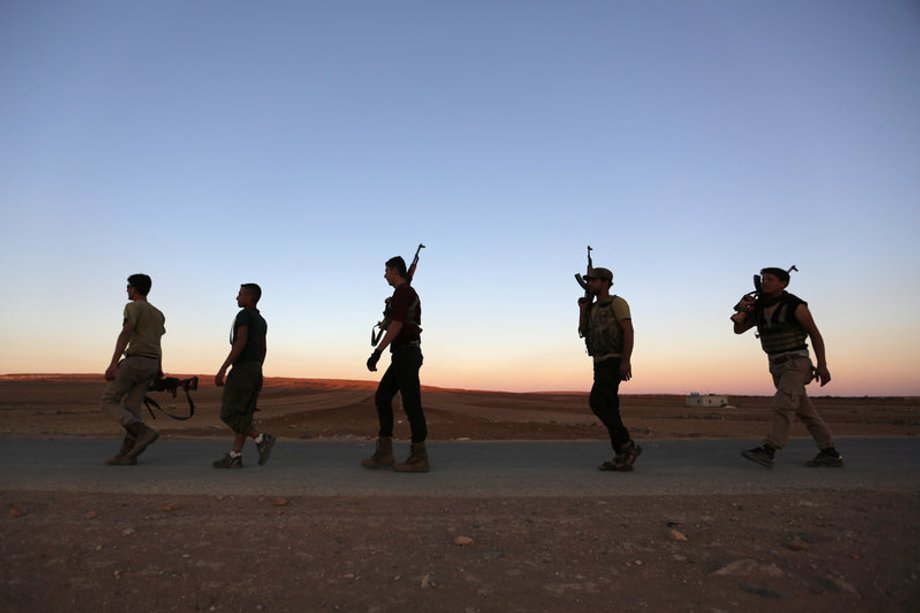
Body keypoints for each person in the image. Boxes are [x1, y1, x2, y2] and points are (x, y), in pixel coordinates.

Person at [731, 267, 842, 468]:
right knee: (803, 410)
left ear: (783, 284)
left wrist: (823, 365)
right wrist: (743, 310)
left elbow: (815, 334)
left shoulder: (795, 306)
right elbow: (738, 330)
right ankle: (830, 452)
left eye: (770, 279)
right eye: (763, 279)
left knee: (783, 404)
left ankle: (769, 450)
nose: (765, 282)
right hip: (776, 365)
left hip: (796, 362)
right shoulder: (760, 307)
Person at [362, 256, 429, 472]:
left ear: (394, 270)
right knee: (382, 397)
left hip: (407, 353)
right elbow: (396, 320)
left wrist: (377, 352)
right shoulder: (402, 293)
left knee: (411, 404)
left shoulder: (404, 292)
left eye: (386, 271)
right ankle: (385, 453)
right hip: (402, 353)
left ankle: (419, 457)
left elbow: (398, 324)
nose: (384, 275)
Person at [577, 267, 642, 471]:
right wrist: (583, 309)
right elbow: (583, 331)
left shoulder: (617, 303)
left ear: (605, 282)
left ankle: (627, 444)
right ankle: (622, 455)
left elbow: (628, 330)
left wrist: (626, 360)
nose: (590, 284)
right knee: (610, 407)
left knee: (597, 402)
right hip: (599, 361)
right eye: (589, 280)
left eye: (593, 280)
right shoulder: (594, 308)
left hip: (613, 360)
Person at [100, 274, 166, 466]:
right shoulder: (158, 313)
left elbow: (126, 332)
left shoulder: (133, 307)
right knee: (132, 408)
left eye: (128, 286)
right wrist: (159, 367)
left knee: (108, 401)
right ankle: (127, 455)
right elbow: (158, 341)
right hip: (151, 364)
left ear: (135, 288)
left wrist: (113, 363)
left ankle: (144, 431)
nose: (127, 290)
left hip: (135, 361)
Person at [212, 283, 276, 469]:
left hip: (243, 370)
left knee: (229, 413)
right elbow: (264, 348)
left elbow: (240, 341)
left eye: (240, 294)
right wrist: (257, 369)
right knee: (244, 415)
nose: (237, 297)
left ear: (249, 298)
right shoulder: (262, 320)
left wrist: (223, 368)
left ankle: (260, 438)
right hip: (256, 369)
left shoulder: (244, 315)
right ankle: (235, 456)